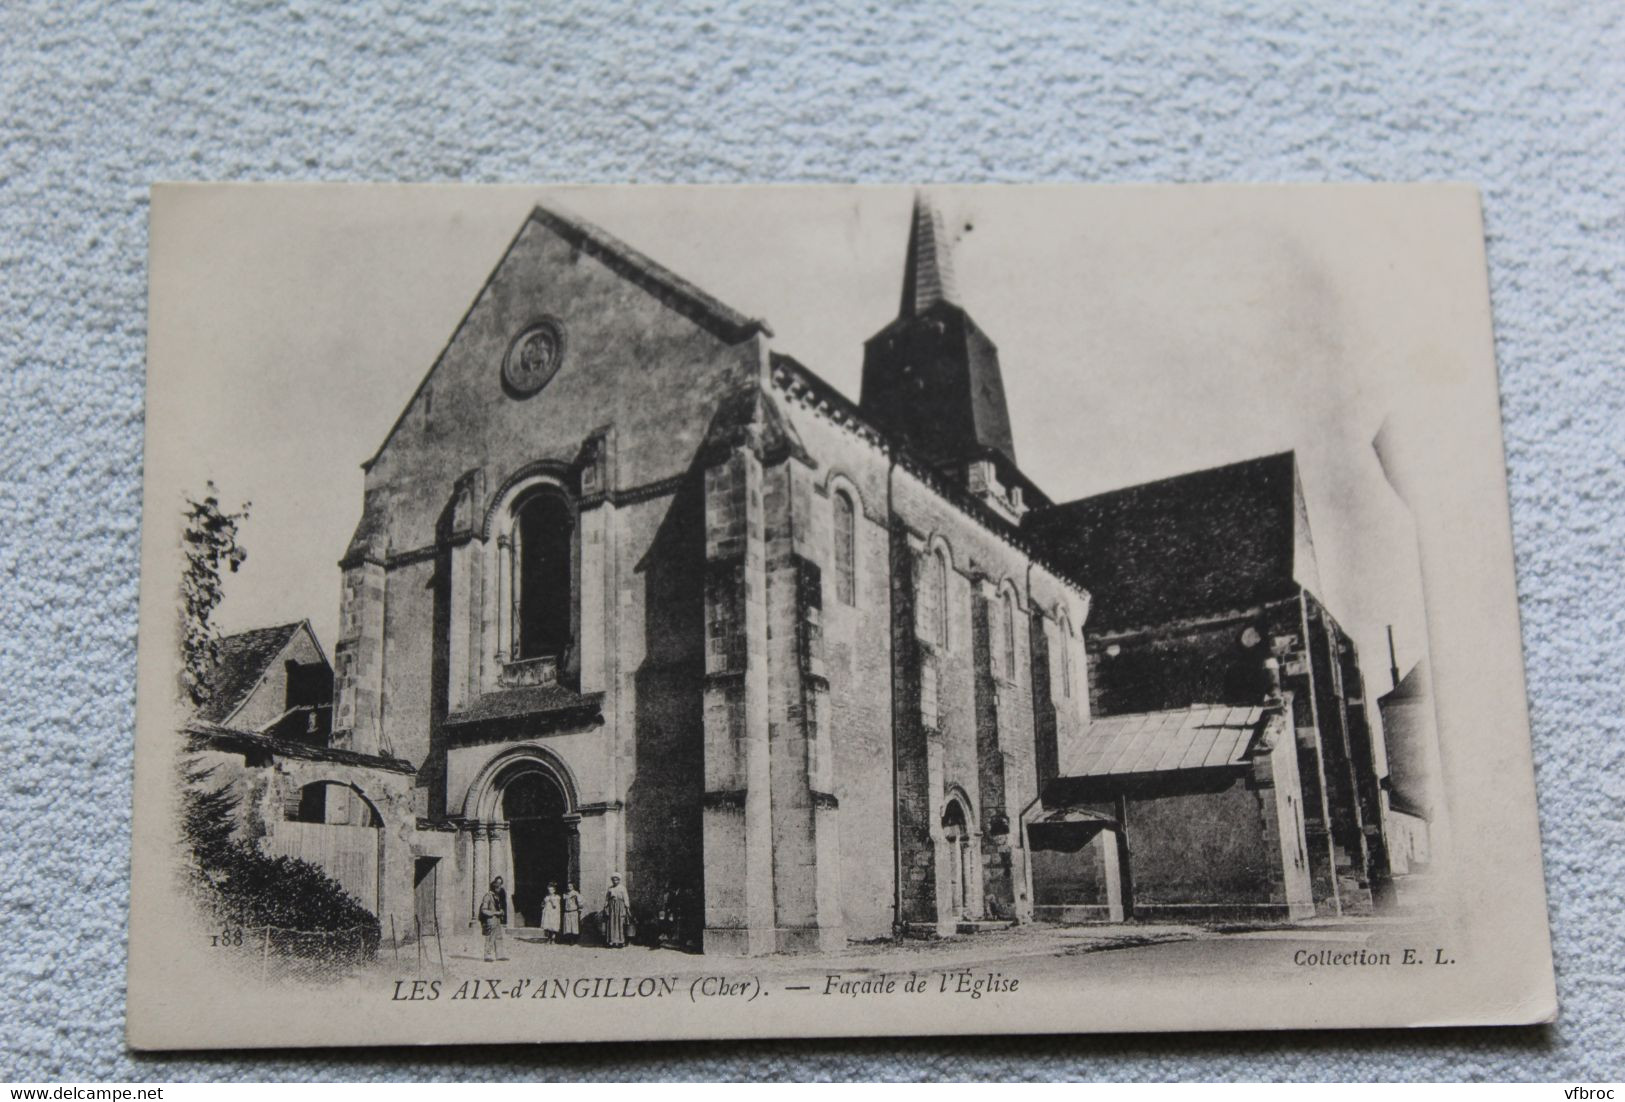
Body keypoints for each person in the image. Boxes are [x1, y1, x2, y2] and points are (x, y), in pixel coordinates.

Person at [478, 876, 509, 962]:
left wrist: (501, 911)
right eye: (497, 886)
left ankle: (500, 955)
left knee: (499, 937)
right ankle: (487, 955)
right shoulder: (488, 896)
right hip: (490, 920)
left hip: (497, 919)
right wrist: (495, 913)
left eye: (499, 886)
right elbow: (483, 910)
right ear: (494, 886)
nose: (498, 888)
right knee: (490, 937)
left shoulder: (497, 897)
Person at [604, 873, 631, 948]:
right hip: (612, 907)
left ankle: (620, 942)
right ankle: (611, 941)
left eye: (616, 880)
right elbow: (607, 898)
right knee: (611, 923)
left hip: (620, 906)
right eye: (613, 880)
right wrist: (605, 906)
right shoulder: (610, 888)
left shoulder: (622, 888)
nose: (614, 881)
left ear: (619, 880)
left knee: (620, 924)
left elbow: (626, 898)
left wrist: (627, 907)